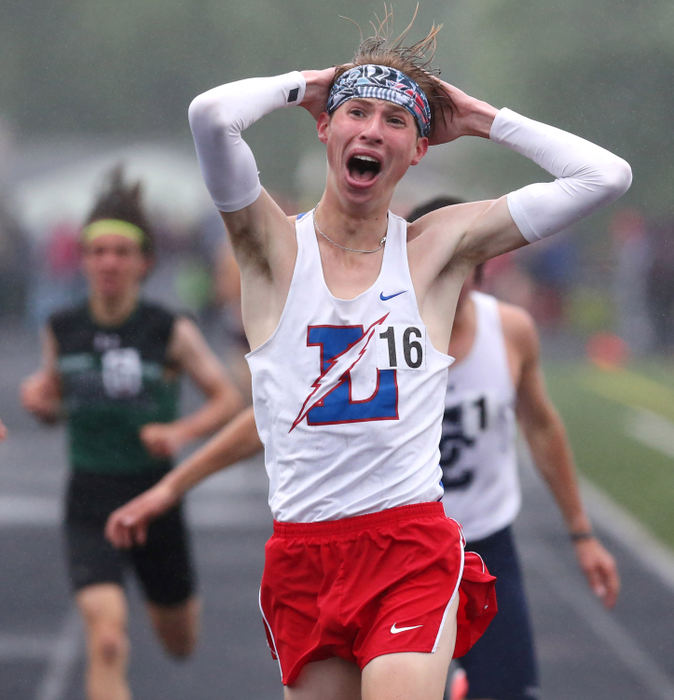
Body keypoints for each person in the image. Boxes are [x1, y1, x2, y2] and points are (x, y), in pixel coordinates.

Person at [112, 12, 630, 698]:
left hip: (408, 545)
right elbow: (211, 115)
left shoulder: (437, 249)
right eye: (355, 112)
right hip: (304, 553)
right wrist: (307, 86)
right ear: (326, 128)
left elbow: (606, 176)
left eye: (394, 121)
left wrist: (479, 117)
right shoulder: (271, 248)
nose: (371, 131)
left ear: (418, 149)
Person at [20, 167, 243, 700]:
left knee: (180, 641)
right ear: (84, 260)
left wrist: (179, 430)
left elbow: (229, 399)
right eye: (99, 252)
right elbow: (55, 406)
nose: (109, 263)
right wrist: (41, 401)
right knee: (108, 638)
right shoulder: (62, 329)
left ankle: (173, 606)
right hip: (90, 499)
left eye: (122, 252)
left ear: (144, 262)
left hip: (156, 499)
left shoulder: (168, 329)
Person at [409, 197, 620, 700]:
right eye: (438, 265)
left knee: (509, 691)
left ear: (482, 269)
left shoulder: (510, 330)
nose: (451, 280)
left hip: (486, 543)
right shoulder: (379, 338)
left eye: (463, 265)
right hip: (404, 550)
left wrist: (581, 532)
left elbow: (542, 428)